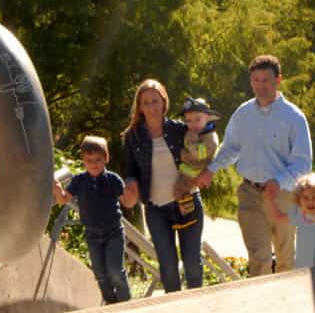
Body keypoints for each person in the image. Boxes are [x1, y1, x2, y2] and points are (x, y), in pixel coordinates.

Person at [198, 54, 312, 277]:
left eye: (266, 80)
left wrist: (278, 182)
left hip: (283, 196)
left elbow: (303, 162)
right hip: (249, 194)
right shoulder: (243, 114)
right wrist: (211, 169)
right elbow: (231, 148)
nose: (261, 86)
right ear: (251, 82)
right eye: (256, 80)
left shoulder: (294, 117)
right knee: (258, 259)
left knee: (285, 260)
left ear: (278, 80)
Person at [122, 78, 204, 292]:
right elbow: (131, 171)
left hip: (187, 203)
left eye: (155, 101)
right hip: (156, 209)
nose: (151, 107)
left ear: (164, 102)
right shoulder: (133, 136)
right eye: (146, 102)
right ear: (140, 107)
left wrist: (201, 172)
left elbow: (202, 153)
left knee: (192, 264)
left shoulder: (180, 130)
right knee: (168, 268)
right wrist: (131, 186)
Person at [52, 135, 134, 304]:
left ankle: (127, 304)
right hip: (92, 235)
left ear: (106, 159)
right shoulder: (79, 180)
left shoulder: (112, 179)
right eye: (89, 160)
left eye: (98, 159)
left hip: (113, 232)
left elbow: (126, 201)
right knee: (100, 274)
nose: (94, 164)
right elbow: (63, 199)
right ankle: (111, 304)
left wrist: (131, 193)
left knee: (115, 272)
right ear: (83, 160)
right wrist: (56, 188)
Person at [264, 173, 315, 268]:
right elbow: (278, 217)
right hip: (304, 267)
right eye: (305, 198)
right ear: (299, 199)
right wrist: (269, 200)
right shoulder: (299, 216)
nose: (310, 202)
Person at [174, 97, 221, 216]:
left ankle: (187, 213)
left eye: (197, 119)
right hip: (191, 167)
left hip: (196, 170)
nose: (193, 124)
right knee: (181, 189)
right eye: (188, 121)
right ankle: (186, 209)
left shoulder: (210, 137)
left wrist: (191, 144)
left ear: (208, 118)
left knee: (180, 189)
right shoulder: (198, 132)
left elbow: (200, 155)